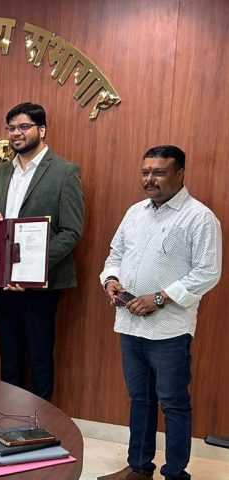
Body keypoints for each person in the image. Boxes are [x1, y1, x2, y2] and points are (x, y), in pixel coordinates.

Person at [98, 145, 221, 480]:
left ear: (180, 174)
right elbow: (115, 254)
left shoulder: (199, 217)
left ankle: (175, 474)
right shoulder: (135, 212)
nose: (149, 179)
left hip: (170, 329)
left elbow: (208, 273)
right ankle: (139, 468)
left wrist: (160, 298)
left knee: (173, 403)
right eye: (145, 172)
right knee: (140, 400)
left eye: (159, 172)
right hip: (129, 325)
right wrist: (111, 280)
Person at [0, 102, 84, 400]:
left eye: (24, 127)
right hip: (3, 282)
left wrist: (30, 271)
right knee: (9, 356)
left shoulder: (65, 172)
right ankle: (8, 417)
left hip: (41, 284)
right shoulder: (3, 171)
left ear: (42, 130)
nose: (16, 133)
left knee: (40, 356)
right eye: (11, 128)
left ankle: (40, 421)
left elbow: (71, 232)